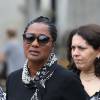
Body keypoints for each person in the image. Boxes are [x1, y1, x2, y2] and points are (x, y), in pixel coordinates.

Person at [6, 16, 87, 100]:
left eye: (43, 39)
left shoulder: (68, 80)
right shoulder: (13, 79)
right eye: (29, 37)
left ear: (53, 46)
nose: (34, 44)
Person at [66, 24, 100, 100]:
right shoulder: (63, 80)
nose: (75, 53)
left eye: (81, 48)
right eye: (73, 48)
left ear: (98, 51)